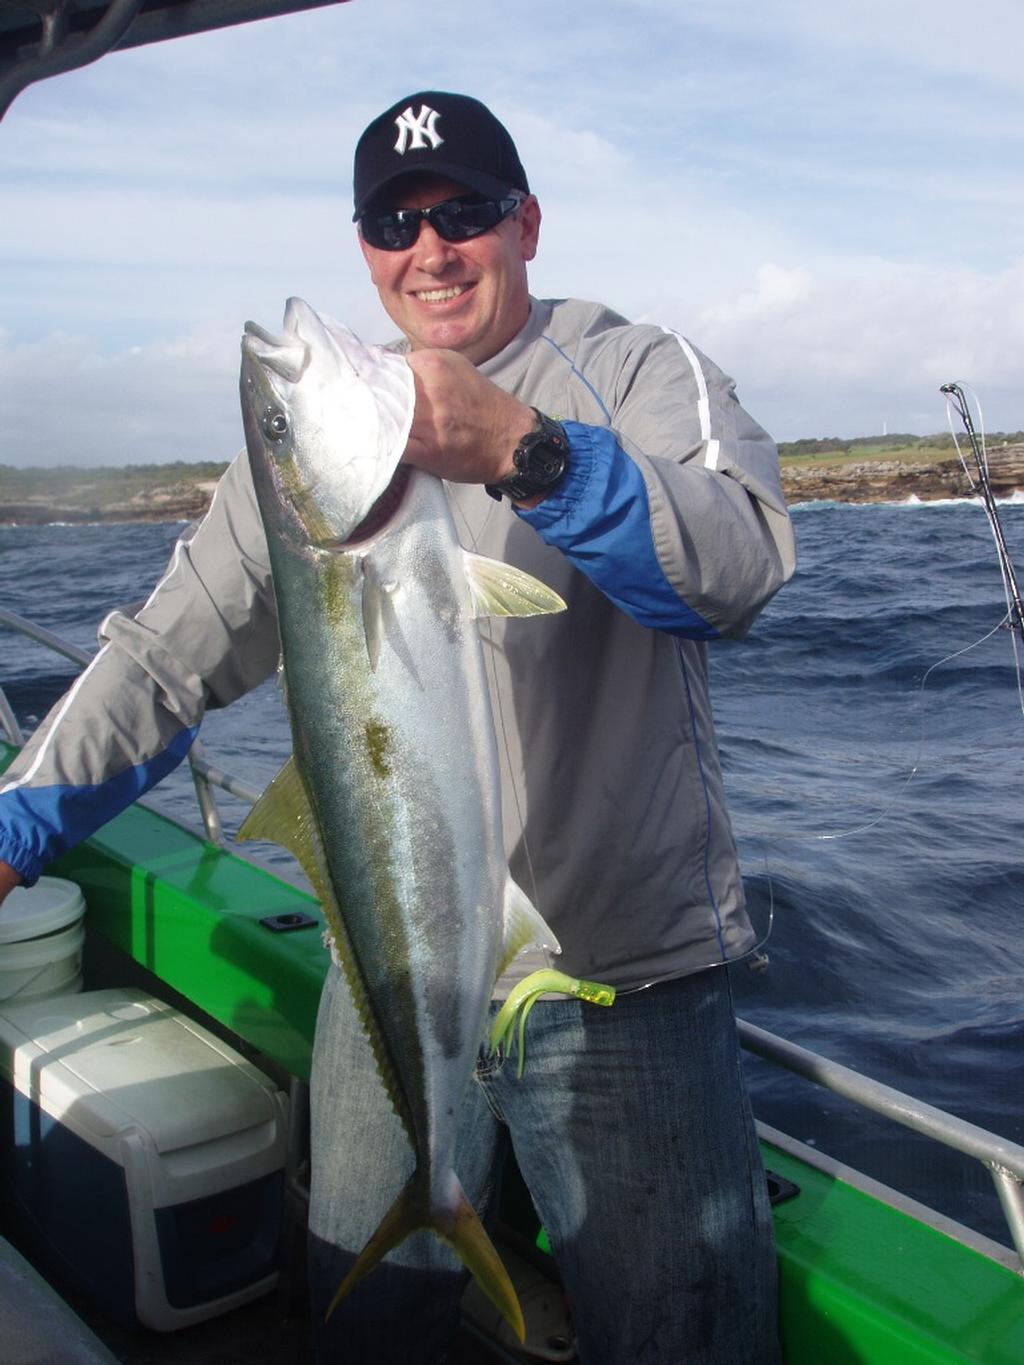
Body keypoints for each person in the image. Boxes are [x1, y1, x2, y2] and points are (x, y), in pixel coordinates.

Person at [0, 91, 796, 1362]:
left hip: (618, 973)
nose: (429, 248)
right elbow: (166, 658)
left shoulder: (635, 366)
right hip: (392, 967)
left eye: (464, 212)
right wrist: (16, 822)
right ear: (366, 247)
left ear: (526, 223)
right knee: (364, 1316)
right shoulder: (319, 439)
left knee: (677, 1336)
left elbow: (739, 565)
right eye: (393, 222)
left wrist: (528, 453)